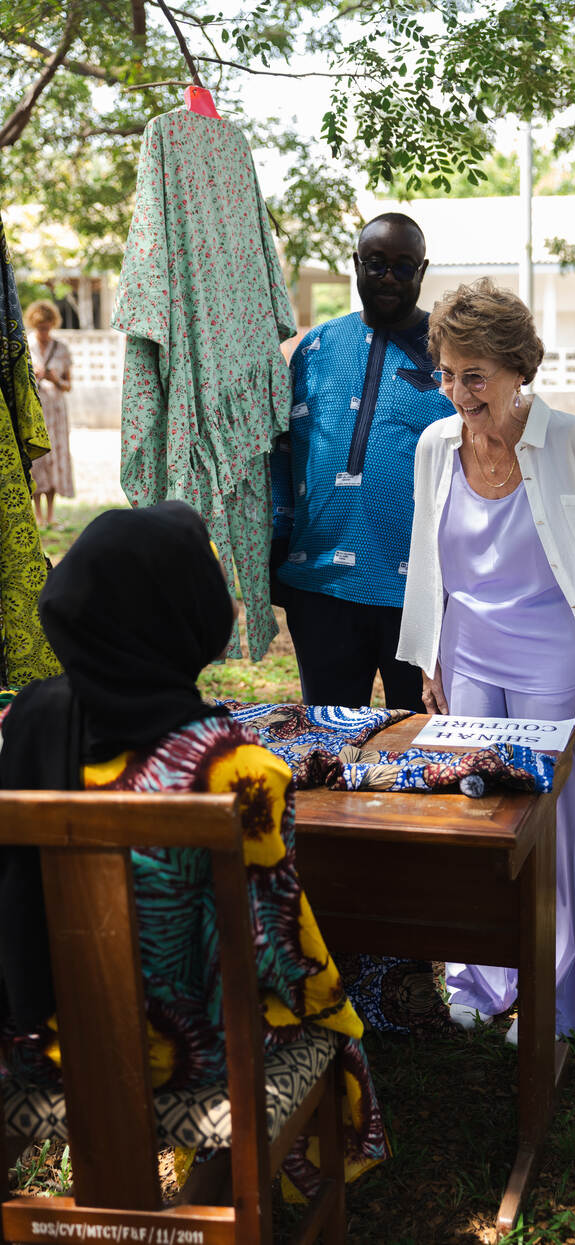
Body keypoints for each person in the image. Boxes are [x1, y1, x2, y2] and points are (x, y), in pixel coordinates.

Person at [0, 501, 386, 1198]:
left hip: (37, 1033)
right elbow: (277, 951)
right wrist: (340, 1011)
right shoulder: (236, 773)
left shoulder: (20, 726)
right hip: (192, 1057)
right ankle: (209, 1208)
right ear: (189, 620)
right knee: (323, 1021)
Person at [397, 278, 575, 1042]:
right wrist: (428, 653)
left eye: (474, 375)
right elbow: (428, 560)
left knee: (553, 826)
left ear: (516, 367)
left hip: (555, 655)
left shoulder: (571, 441)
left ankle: (555, 999)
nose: (458, 391)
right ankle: (479, 980)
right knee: (472, 815)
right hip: (467, 651)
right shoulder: (435, 445)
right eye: (447, 372)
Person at [270, 212, 447, 712]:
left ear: (422, 271)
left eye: (403, 267)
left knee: (421, 743)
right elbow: (282, 453)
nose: (389, 277)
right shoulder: (315, 349)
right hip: (320, 585)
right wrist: (276, 549)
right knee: (330, 739)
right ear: (356, 266)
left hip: (421, 593)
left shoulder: (449, 352)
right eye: (376, 264)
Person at [0, 218, 60, 688]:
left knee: (52, 470)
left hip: (56, 407)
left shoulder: (60, 347)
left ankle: (50, 513)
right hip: (28, 406)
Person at [24, 300, 74, 527]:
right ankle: (38, 515)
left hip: (56, 412)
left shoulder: (62, 349)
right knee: (37, 459)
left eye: (46, 327)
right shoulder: (26, 347)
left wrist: (56, 379)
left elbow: (68, 385)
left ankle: (51, 515)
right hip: (35, 410)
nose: (43, 332)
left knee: (54, 458)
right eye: (39, 327)